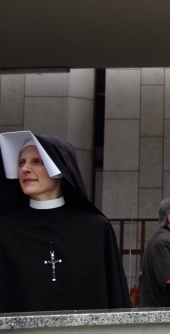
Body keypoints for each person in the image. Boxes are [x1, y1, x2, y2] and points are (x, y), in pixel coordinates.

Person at [0, 131, 131, 312]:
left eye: (37, 161)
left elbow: (114, 297)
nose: (24, 169)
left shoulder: (96, 229)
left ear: (60, 168)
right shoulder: (5, 230)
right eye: (21, 162)